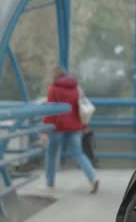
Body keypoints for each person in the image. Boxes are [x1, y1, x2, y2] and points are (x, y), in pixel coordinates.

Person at [42, 66, 99, 194]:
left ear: (54, 76)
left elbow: (50, 112)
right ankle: (93, 178)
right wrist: (83, 126)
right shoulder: (76, 88)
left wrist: (45, 131)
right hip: (75, 127)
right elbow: (81, 109)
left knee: (51, 154)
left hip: (58, 127)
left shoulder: (53, 89)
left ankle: (50, 184)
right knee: (79, 154)